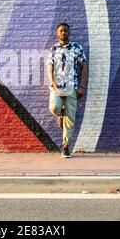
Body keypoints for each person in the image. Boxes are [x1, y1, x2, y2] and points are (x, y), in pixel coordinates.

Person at [46, 23, 88, 158]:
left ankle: (66, 146)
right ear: (57, 33)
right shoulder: (53, 49)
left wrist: (81, 87)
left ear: (69, 33)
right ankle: (60, 114)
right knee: (54, 107)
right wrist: (53, 84)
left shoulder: (77, 48)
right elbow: (49, 69)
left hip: (72, 87)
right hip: (57, 87)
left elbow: (84, 68)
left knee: (70, 118)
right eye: (61, 31)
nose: (63, 33)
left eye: (65, 31)